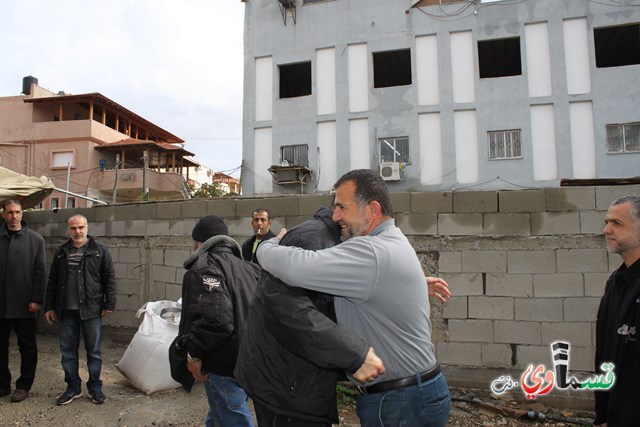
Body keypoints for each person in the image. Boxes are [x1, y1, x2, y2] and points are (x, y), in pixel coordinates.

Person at [257, 169, 451, 427]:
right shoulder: (394, 239)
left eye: (341, 207)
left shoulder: (369, 250)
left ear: (372, 210)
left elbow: (295, 268)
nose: (335, 217)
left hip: (399, 402)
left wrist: (268, 245)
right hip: (422, 390)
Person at [235, 207, 382, 427]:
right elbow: (284, 305)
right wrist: (353, 354)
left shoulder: (335, 239)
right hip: (285, 383)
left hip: (294, 377)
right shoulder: (315, 239)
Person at [179, 215, 261, 427]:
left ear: (199, 242)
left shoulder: (204, 267)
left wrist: (194, 355)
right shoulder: (248, 268)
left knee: (233, 417)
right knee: (220, 413)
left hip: (223, 363)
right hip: (248, 359)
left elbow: (216, 320)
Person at [44, 214, 116, 406]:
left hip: (91, 310)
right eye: (73, 228)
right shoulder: (61, 252)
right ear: (68, 230)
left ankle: (95, 388)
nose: (77, 231)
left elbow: (109, 278)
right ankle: (72, 387)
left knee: (94, 352)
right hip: (66, 311)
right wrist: (49, 306)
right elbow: (53, 281)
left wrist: (109, 304)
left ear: (87, 227)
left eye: (81, 227)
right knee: (68, 352)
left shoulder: (99, 251)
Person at [594, 194, 640, 427]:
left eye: (616, 223)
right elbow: (606, 355)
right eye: (606, 222)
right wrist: (603, 414)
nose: (607, 230)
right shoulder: (615, 282)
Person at [0, 199, 46, 403]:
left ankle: (24, 385)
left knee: (27, 346)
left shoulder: (35, 240)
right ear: (3, 214)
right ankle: (2, 384)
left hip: (25, 305)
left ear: (22, 213)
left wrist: (37, 299)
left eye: (17, 212)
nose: (14, 216)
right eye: (9, 212)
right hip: (0, 304)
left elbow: (40, 273)